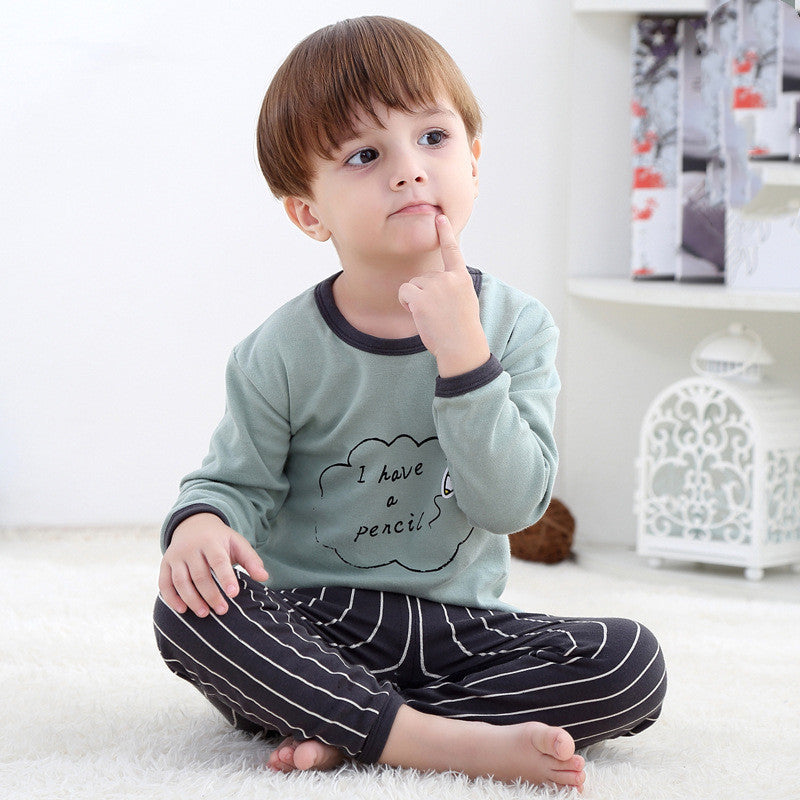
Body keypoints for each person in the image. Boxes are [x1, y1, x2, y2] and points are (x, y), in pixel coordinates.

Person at [153, 16, 666, 792]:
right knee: (186, 614)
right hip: (314, 620)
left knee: (632, 662)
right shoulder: (280, 350)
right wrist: (200, 524)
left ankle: (348, 725)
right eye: (365, 155)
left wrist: (464, 356)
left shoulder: (518, 326)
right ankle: (437, 741)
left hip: (461, 628)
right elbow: (234, 485)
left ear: (475, 160)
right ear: (308, 213)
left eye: (433, 138)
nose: (409, 172)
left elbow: (511, 507)